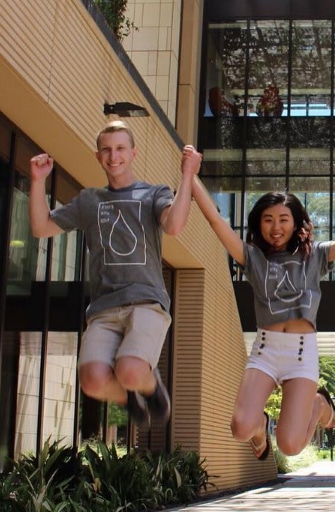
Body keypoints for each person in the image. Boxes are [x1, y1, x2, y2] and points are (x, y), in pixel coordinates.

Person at [191, 178, 335, 459]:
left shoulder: (315, 255)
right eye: (268, 220)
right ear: (259, 224)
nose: (276, 227)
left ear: (296, 223)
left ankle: (320, 404)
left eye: (284, 219)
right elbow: (214, 220)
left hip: (301, 353)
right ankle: (260, 424)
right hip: (265, 351)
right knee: (240, 428)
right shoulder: (253, 258)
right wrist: (192, 175)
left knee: (290, 446)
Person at [28, 120, 202, 429]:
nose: (114, 156)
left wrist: (187, 174)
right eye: (106, 150)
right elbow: (42, 227)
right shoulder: (89, 201)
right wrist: (38, 180)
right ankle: (128, 397)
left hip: (146, 303)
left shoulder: (152, 194)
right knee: (93, 382)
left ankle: (150, 386)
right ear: (98, 156)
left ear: (133, 153)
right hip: (104, 308)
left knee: (131, 370)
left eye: (121, 148)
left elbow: (174, 225)